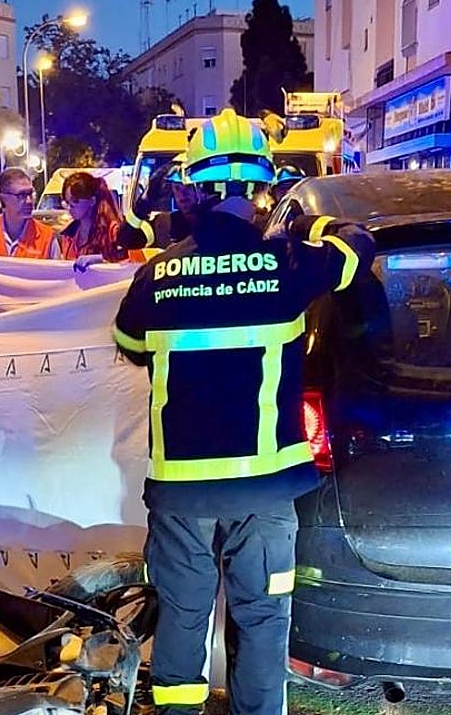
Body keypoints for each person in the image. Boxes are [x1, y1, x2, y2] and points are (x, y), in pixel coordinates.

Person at [112, 108, 374, 715]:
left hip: (182, 494)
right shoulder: (289, 263)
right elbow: (359, 246)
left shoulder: (158, 275)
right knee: (262, 621)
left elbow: (127, 345)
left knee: (181, 617)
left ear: (194, 188)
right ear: (261, 187)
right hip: (263, 491)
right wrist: (309, 220)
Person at [118, 158, 197, 252]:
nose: (182, 194)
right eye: (177, 188)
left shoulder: (215, 221)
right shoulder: (164, 224)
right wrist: (144, 202)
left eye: (187, 187)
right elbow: (126, 241)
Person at [58, 171, 126, 263]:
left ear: (92, 201)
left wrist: (102, 262)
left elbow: (129, 267)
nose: (70, 207)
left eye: (75, 201)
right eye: (67, 202)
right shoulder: (68, 235)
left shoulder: (113, 231)